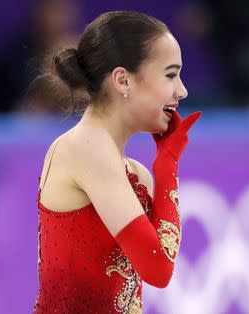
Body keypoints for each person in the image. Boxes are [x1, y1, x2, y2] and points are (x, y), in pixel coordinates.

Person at [32, 11, 202, 313]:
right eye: (170, 74)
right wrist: (168, 164)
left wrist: (163, 166)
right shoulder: (85, 147)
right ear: (123, 79)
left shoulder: (135, 173)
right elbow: (158, 270)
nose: (182, 90)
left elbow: (159, 266)